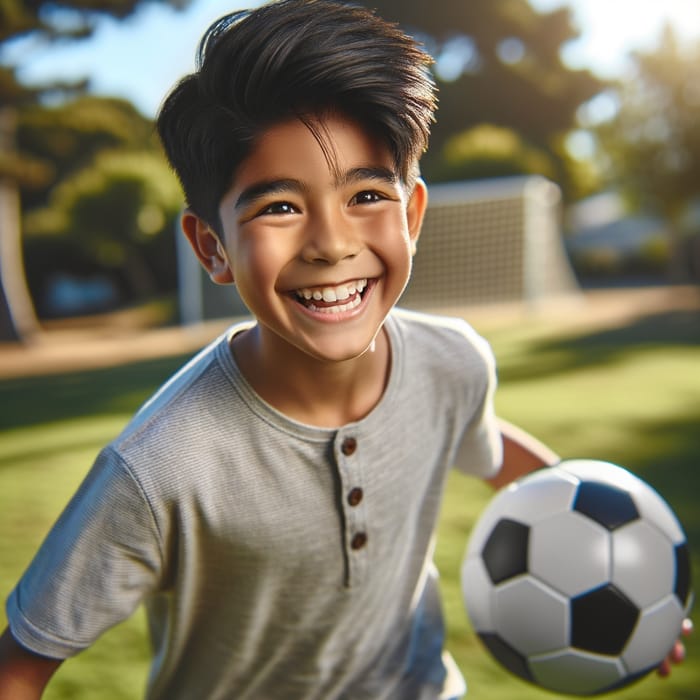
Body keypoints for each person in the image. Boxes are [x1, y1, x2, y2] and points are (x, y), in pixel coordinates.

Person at [0, 1, 689, 698]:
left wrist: (629, 574)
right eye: (279, 207)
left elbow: (485, 445)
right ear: (212, 247)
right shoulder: (157, 469)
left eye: (365, 194)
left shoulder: (452, 364)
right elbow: (21, 667)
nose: (332, 244)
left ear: (412, 215)